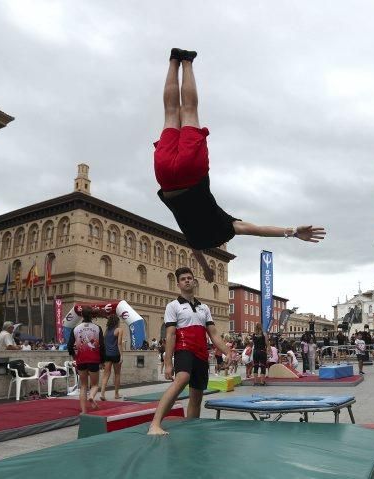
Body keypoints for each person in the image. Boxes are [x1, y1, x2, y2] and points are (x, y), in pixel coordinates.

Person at [152, 48, 325, 283]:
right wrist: (206, 270)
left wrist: (293, 232)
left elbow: (259, 229)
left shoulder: (228, 227)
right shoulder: (194, 238)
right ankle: (174, 61)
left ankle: (187, 61)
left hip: (192, 174)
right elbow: (196, 252)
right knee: (170, 113)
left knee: (189, 111)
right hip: (166, 178)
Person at [148, 267, 232, 435]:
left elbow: (213, 333)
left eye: (189, 278)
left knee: (197, 395)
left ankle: (192, 427)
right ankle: (155, 424)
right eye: (183, 279)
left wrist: (227, 352)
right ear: (178, 284)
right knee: (182, 378)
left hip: (201, 353)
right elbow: (171, 335)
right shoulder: (173, 306)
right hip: (184, 349)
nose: (187, 280)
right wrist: (167, 363)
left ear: (194, 282)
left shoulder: (204, 308)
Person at [67, 308, 105, 414]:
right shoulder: (97, 328)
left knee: (83, 386)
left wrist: (74, 355)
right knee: (95, 385)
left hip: (81, 359)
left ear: (82, 315)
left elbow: (69, 345)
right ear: (92, 316)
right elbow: (102, 346)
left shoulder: (76, 328)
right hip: (94, 359)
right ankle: (92, 396)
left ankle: (83, 411)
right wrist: (102, 361)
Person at [100, 315, 125, 401]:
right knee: (117, 374)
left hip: (107, 355)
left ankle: (102, 393)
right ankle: (116, 394)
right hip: (116, 354)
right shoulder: (119, 330)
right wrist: (121, 355)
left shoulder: (106, 331)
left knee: (106, 374)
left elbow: (104, 343)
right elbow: (119, 344)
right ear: (117, 322)